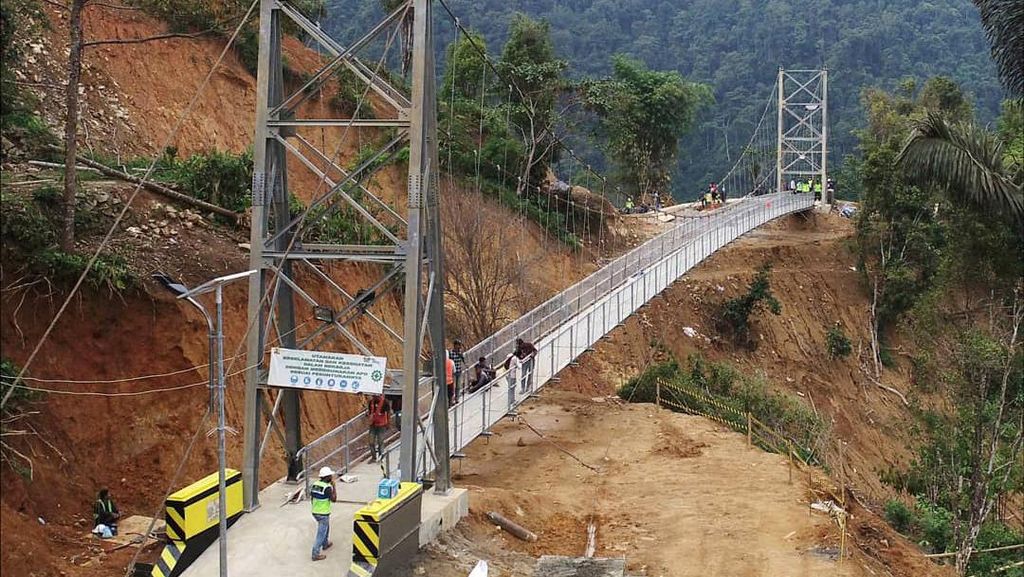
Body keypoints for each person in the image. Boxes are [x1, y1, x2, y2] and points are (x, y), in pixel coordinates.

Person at [310, 466, 337, 561]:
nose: (331, 477)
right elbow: (334, 499)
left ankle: (325, 544)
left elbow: (312, 498)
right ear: (327, 477)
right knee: (321, 534)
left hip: (315, 512)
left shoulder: (315, 484)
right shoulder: (327, 488)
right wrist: (334, 486)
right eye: (330, 476)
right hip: (323, 514)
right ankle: (315, 554)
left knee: (326, 527)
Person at [367, 394, 390, 462]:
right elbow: (370, 412)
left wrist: (388, 423)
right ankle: (373, 457)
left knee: (380, 441)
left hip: (381, 425)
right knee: (371, 442)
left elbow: (388, 413)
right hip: (373, 424)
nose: (374, 397)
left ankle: (381, 456)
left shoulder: (385, 402)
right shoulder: (371, 402)